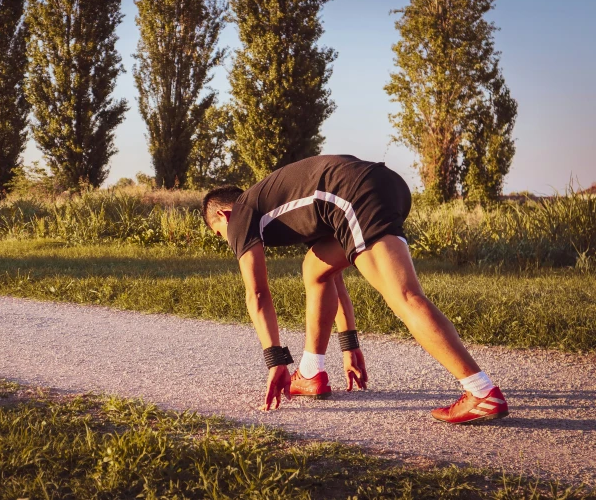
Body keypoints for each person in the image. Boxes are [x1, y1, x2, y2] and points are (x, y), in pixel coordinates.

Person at [201, 155, 509, 423]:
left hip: (356, 189)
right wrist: (349, 344)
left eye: (220, 234)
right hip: (383, 185)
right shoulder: (288, 207)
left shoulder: (240, 213)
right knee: (315, 268)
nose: (228, 241)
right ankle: (311, 373)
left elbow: (257, 294)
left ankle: (480, 391)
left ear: (223, 216)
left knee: (404, 295)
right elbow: (334, 276)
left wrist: (276, 360)